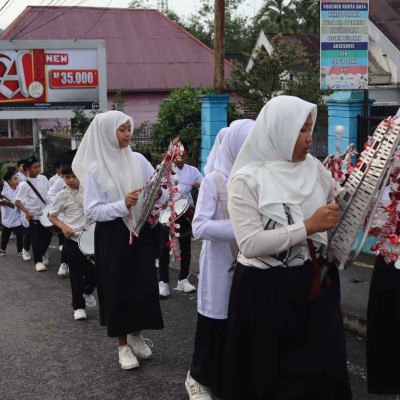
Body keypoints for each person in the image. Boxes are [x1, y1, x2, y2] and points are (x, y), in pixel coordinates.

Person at [224, 96, 352, 400]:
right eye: (301, 130)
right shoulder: (247, 179)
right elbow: (250, 243)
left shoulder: (314, 169)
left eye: (310, 128)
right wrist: (308, 226)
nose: (309, 138)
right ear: (280, 130)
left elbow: (332, 211)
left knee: (324, 371)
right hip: (265, 293)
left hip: (313, 285)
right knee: (271, 378)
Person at [72, 110, 166, 370]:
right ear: (107, 133)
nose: (128, 134)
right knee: (118, 288)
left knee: (143, 284)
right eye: (122, 129)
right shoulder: (96, 170)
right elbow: (92, 210)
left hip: (139, 232)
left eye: (129, 129)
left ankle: (137, 335)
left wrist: (159, 193)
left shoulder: (137, 159)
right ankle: (122, 345)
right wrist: (120, 205)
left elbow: (157, 191)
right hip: (113, 236)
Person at [185, 119, 254, 400]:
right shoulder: (214, 181)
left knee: (238, 323)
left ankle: (227, 379)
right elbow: (199, 226)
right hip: (219, 266)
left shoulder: (252, 179)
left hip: (248, 264)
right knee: (214, 322)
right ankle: (197, 377)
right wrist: (243, 229)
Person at [49, 164, 96, 321]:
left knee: (96, 273)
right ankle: (78, 307)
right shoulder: (61, 196)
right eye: (66, 177)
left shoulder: (90, 189)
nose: (70, 180)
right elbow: (52, 215)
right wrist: (63, 226)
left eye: (73, 176)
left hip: (92, 239)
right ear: (62, 177)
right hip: (73, 240)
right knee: (75, 274)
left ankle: (87, 291)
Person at [158, 150, 204, 297]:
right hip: (168, 211)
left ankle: (183, 279)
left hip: (184, 211)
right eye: (176, 156)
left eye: (182, 156)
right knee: (164, 247)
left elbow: (205, 184)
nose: (178, 159)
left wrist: (199, 185)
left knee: (185, 247)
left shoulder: (193, 170)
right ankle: (163, 282)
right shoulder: (165, 170)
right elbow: (158, 190)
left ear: (187, 156)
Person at [15, 156, 52, 272]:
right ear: (28, 170)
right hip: (34, 216)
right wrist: (27, 212)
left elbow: (49, 194)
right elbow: (17, 202)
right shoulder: (24, 184)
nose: (38, 169)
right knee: (35, 239)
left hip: (46, 214)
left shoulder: (44, 178)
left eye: (38, 166)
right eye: (35, 167)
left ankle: (44, 251)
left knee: (48, 236)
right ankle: (38, 262)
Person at [1, 171, 23, 257]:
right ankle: (2, 249)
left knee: (20, 234)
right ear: (9, 181)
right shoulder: (4, 193)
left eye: (17, 178)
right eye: (15, 179)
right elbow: (1, 203)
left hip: (17, 217)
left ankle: (20, 251)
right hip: (8, 218)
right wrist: (3, 203)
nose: (17, 180)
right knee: (5, 236)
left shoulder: (20, 190)